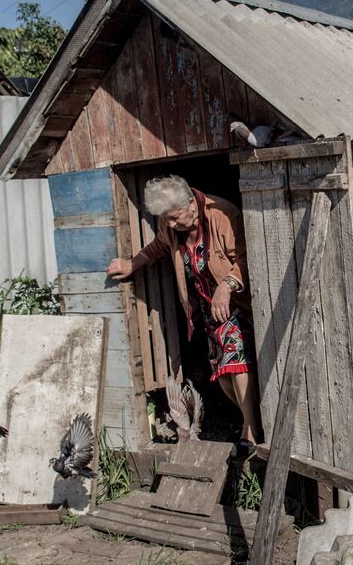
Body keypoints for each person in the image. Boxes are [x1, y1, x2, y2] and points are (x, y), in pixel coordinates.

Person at [106, 176, 261, 446]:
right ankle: (254, 419)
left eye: (175, 218)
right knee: (223, 375)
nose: (170, 225)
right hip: (209, 310)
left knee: (236, 364)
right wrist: (132, 264)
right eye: (166, 219)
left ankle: (250, 431)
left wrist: (227, 285)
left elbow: (248, 258)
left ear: (191, 204)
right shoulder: (173, 230)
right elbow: (156, 248)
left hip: (236, 305)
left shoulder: (222, 215)